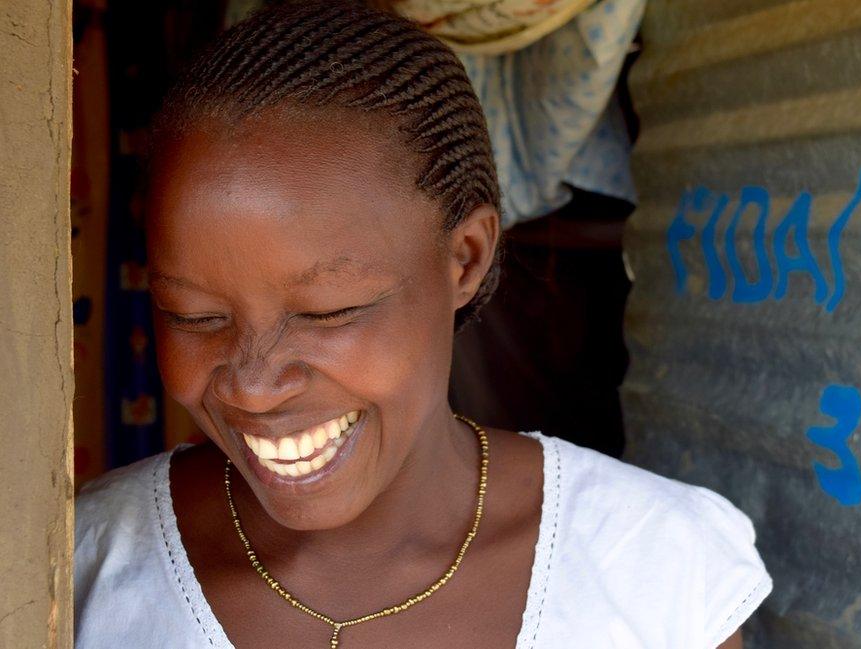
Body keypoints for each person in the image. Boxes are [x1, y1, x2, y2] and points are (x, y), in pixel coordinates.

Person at [74, 2, 772, 647]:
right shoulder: (73, 570)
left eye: (327, 311)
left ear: (464, 258)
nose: (254, 385)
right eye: (195, 315)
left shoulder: (656, 573)